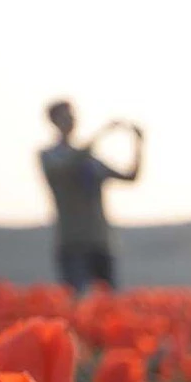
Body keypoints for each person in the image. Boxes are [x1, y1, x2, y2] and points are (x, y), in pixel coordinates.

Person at [40, 100, 143, 293]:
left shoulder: (91, 161)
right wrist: (101, 134)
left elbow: (131, 177)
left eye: (72, 116)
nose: (71, 120)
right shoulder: (49, 156)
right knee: (78, 301)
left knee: (111, 305)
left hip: (101, 242)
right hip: (72, 244)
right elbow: (67, 166)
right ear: (53, 121)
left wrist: (139, 144)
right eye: (65, 116)